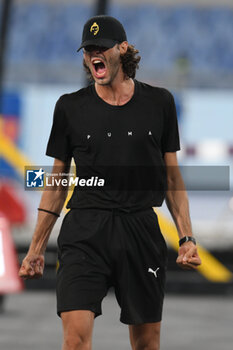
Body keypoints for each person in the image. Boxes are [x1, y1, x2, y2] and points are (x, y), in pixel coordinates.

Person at [19, 15, 201, 350]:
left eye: (101, 48)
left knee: (147, 343)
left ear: (123, 49)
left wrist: (186, 237)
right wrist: (35, 248)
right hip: (84, 231)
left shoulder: (160, 103)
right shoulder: (69, 107)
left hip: (140, 230)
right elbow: (57, 182)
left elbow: (173, 178)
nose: (93, 54)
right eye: (88, 49)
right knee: (74, 340)